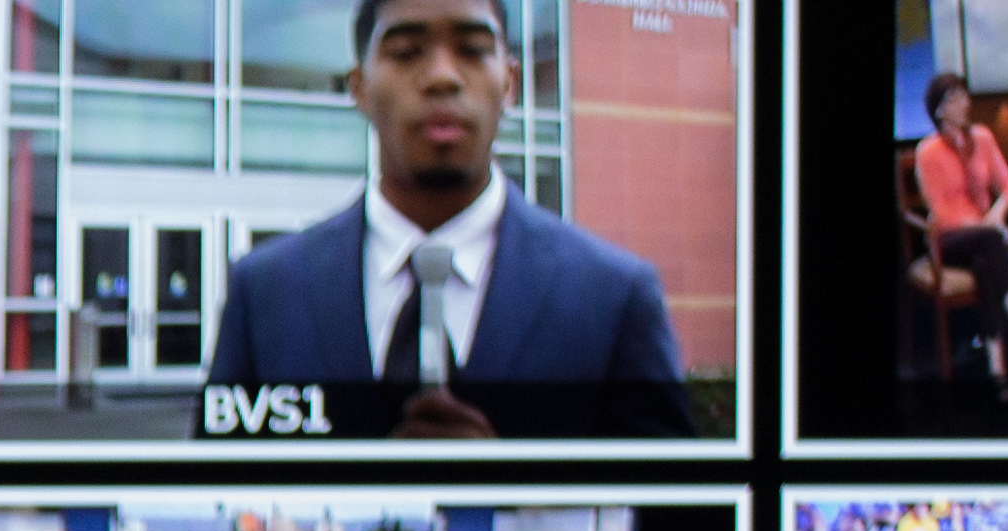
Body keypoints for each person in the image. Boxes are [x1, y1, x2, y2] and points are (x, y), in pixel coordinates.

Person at [200, 0, 691, 431]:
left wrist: (509, 494)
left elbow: (676, 526)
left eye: (472, 49)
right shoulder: (264, 293)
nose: (441, 76)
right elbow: (211, 497)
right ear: (360, 88)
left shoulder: (615, 298)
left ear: (510, 84)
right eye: (407, 52)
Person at [913, 73, 1008, 397]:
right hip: (949, 240)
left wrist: (997, 212)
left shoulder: (982, 137)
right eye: (956, 98)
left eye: (965, 94)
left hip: (985, 238)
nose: (966, 102)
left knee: (986, 260)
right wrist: (987, 225)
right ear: (940, 110)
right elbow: (941, 214)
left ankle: (997, 367)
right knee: (992, 241)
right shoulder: (928, 152)